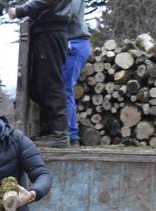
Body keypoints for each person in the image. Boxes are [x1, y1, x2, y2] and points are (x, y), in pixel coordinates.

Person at [8, 0, 75, 148]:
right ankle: (50, 131)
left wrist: (20, 10)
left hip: (51, 30)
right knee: (40, 85)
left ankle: (59, 134)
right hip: (46, 30)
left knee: (50, 82)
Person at [63, 0, 90, 146]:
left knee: (65, 89)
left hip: (75, 43)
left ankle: (71, 135)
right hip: (72, 44)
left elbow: (67, 14)